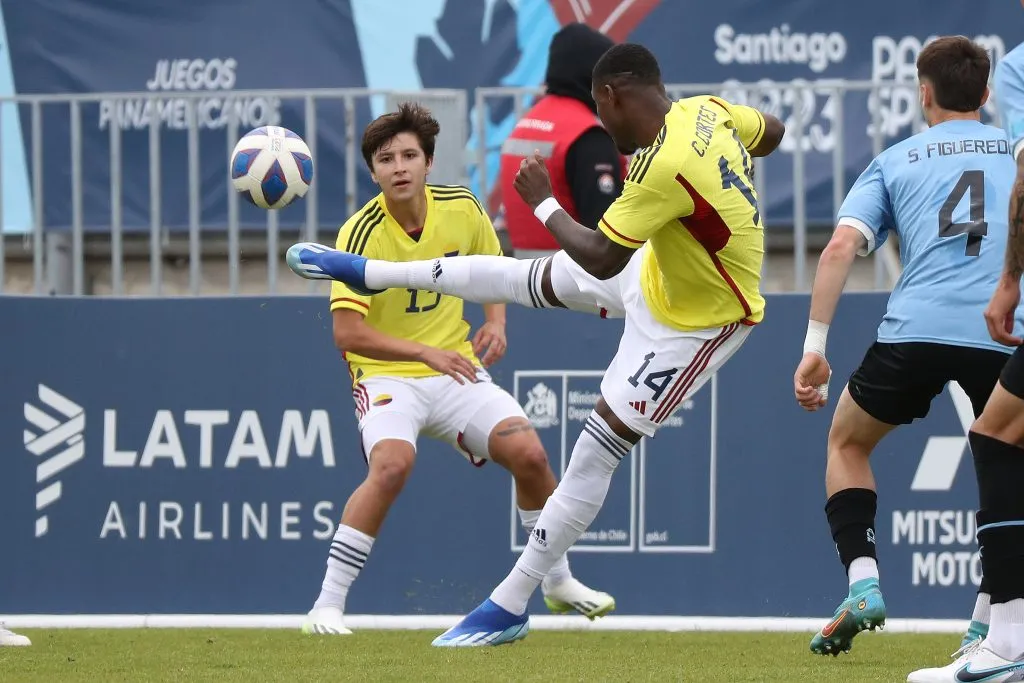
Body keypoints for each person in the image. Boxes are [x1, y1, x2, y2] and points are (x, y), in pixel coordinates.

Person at [287, 43, 785, 646]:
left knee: (593, 448)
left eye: (598, 110)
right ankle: (374, 272)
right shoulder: (708, 111)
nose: (602, 126)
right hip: (657, 270)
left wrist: (544, 200)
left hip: (700, 321)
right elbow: (772, 131)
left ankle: (511, 602)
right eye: (387, 158)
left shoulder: (666, 160)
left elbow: (601, 257)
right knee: (523, 278)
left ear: (611, 96)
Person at [299, 103, 614, 636]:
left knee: (530, 456)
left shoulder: (463, 207)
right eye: (385, 159)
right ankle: (326, 606)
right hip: (386, 376)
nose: (399, 167)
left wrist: (496, 322)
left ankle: (557, 582)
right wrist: (424, 354)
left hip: (455, 371)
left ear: (428, 162)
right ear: (372, 172)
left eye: (409, 156)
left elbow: (494, 272)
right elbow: (347, 335)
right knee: (392, 466)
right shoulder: (360, 231)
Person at [791, 36, 1021, 660]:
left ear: (924, 93)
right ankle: (987, 625)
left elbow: (839, 248)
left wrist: (815, 345)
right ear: (985, 93)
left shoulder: (895, 159)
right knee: (1010, 473)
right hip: (1004, 333)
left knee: (847, 443)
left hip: (914, 333)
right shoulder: (1017, 150)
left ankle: (863, 582)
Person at [904, 35, 1024, 683]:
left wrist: (1008, 283)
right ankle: (996, 628)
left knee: (995, 435)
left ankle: (1005, 642)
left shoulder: (1020, 67)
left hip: (945, 321)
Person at [498, 22, 624, 256]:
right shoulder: (587, 136)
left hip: (523, 273)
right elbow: (607, 238)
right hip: (573, 275)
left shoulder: (524, 125)